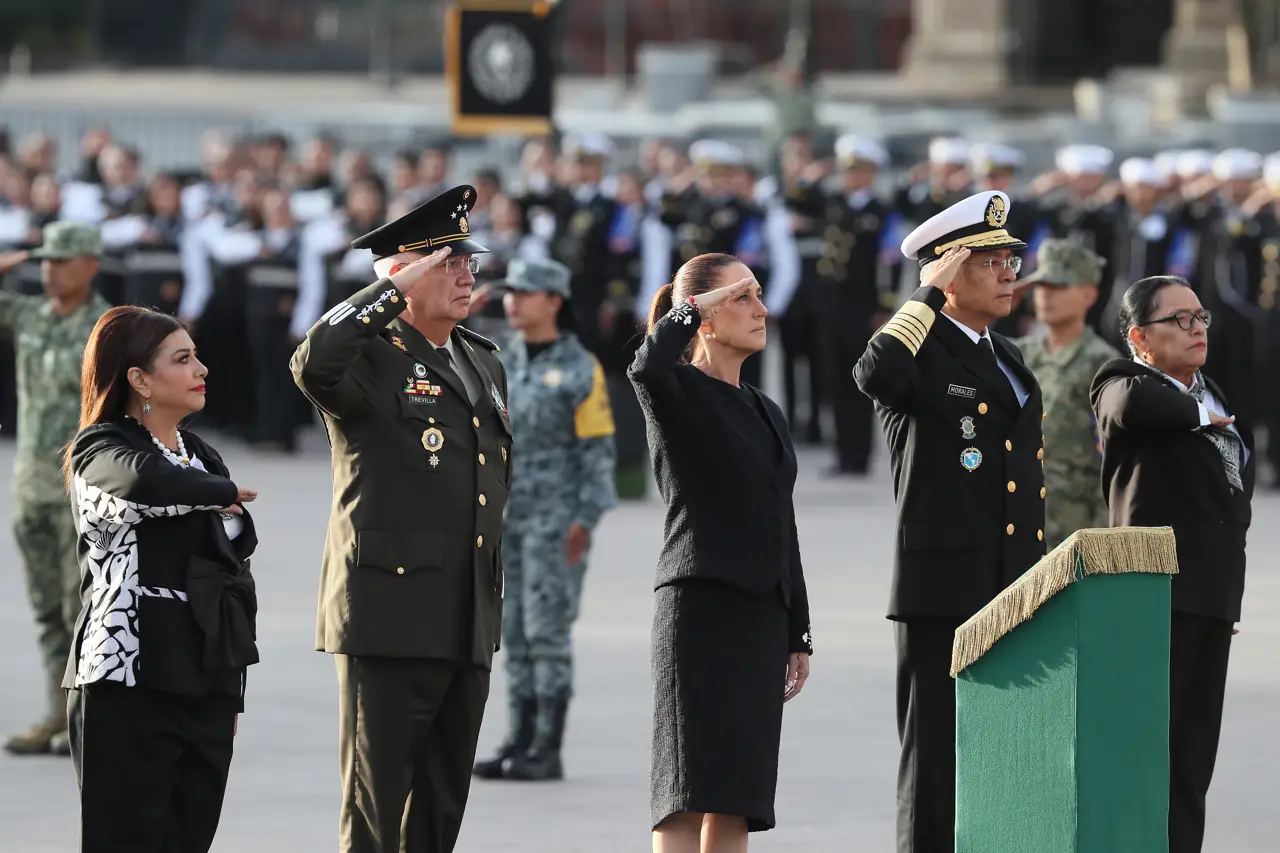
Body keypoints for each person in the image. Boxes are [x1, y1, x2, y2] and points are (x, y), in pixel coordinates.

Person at [290, 185, 511, 853]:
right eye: (448, 263)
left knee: (439, 812)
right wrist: (387, 292)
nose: (467, 273)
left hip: (464, 614)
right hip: (388, 616)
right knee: (376, 814)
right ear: (403, 273)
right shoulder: (367, 355)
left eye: (468, 261)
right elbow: (312, 361)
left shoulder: (480, 358)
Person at [853, 191, 1046, 853]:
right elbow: (873, 372)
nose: (1008, 272)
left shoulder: (1011, 358)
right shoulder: (919, 351)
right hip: (943, 590)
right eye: (988, 259)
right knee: (936, 761)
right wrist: (923, 298)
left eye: (1011, 258)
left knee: (1001, 760)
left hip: (1012, 584)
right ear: (947, 270)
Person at [630, 252, 813, 852]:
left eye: (759, 295)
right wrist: (691, 307)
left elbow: (780, 523)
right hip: (700, 611)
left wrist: (798, 630)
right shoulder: (676, 389)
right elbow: (647, 365)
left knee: (738, 797)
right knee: (686, 791)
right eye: (743, 298)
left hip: (760, 616)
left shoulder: (766, 410)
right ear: (704, 318)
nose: (761, 309)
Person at [64, 305, 259, 853]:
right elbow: (140, 483)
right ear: (139, 379)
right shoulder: (100, 449)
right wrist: (219, 496)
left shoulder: (201, 455)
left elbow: (231, 573)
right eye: (183, 358)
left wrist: (231, 693)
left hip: (204, 679)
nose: (202, 369)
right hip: (127, 680)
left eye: (196, 356)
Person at [1090, 276, 1253, 853]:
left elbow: (1231, 508)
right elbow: (1133, 404)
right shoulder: (1121, 382)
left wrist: (1226, 597)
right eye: (1179, 320)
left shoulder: (1216, 396)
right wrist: (1197, 416)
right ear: (1139, 337)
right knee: (1142, 754)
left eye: (1200, 316)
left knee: (1191, 758)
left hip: (1209, 600)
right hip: (1151, 597)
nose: (1197, 328)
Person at [471, 257, 617, 781]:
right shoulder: (502, 359)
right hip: (508, 521)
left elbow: (599, 454)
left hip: (557, 524)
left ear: (554, 301)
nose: (513, 302)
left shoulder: (582, 370)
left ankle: (548, 746)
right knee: (513, 631)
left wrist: (584, 522)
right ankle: (518, 737)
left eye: (525, 293)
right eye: (509, 292)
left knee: (548, 631)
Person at [0, 222, 112, 756]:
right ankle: (54, 709)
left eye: (60, 261)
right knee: (47, 608)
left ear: (91, 264)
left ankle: (84, 716)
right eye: (43, 261)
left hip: (81, 492)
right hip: (30, 488)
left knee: (84, 610)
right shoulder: (29, 315)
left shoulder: (109, 329)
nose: (49, 271)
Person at [1013, 239, 1119, 548]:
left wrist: (1103, 538)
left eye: (1059, 287)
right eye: (1041, 286)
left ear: (1089, 295)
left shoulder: (1102, 365)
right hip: (1019, 522)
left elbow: (1112, 460)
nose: (1045, 295)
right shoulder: (1018, 355)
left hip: (1075, 530)